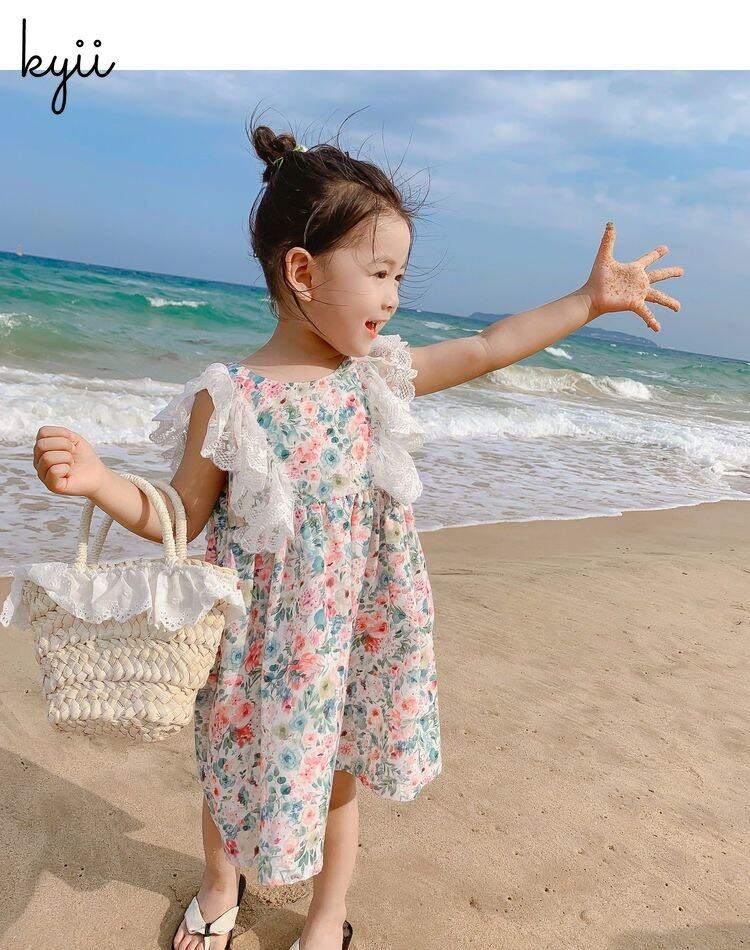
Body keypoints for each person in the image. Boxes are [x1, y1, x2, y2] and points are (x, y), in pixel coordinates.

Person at [30, 113, 683, 950]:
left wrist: (587, 301)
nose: (394, 296)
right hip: (256, 640)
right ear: (303, 271)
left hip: (347, 633)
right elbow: (181, 517)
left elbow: (489, 345)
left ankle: (327, 914)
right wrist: (99, 480)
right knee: (227, 764)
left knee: (339, 776)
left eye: (399, 276)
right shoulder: (228, 397)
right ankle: (220, 885)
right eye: (379, 273)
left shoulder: (375, 376)